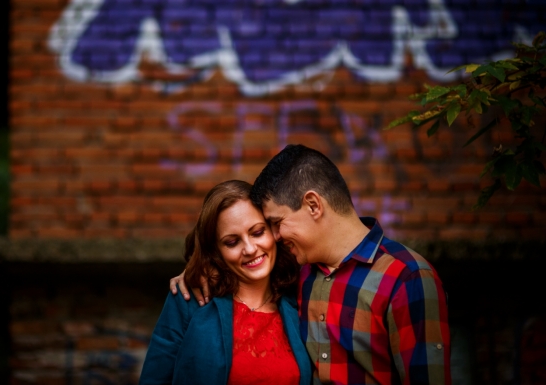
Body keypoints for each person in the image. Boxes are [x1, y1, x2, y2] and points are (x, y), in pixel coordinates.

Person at [170, 145, 451, 384]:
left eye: (277, 224)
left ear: (314, 205)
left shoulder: (407, 277)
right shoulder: (300, 274)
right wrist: (198, 272)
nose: (274, 237)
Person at [140, 180, 312, 385]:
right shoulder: (190, 297)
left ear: (274, 232)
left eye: (257, 232)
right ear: (216, 251)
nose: (249, 249)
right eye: (232, 242)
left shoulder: (303, 294)